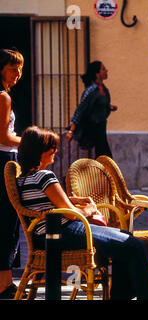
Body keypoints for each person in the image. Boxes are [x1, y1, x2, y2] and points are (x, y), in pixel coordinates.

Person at [17, 126, 148, 300]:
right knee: (134, 244)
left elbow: (46, 203)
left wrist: (71, 200)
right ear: (40, 151)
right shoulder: (44, 176)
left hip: (45, 235)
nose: (56, 150)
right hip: (64, 231)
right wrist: (90, 209)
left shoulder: (24, 180)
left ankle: (123, 295)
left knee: (123, 243)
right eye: (52, 147)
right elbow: (71, 214)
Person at [0, 49, 23, 299]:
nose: (18, 74)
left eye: (20, 69)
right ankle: (4, 283)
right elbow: (4, 137)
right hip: (4, 159)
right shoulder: (3, 97)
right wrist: (27, 140)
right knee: (8, 220)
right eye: (12, 68)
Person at [66, 61, 118, 158]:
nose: (106, 71)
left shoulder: (104, 89)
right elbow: (80, 110)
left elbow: (99, 106)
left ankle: (99, 172)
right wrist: (71, 131)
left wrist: (109, 107)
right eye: (103, 69)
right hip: (92, 128)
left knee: (102, 156)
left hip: (101, 126)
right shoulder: (91, 91)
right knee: (105, 156)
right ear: (97, 74)